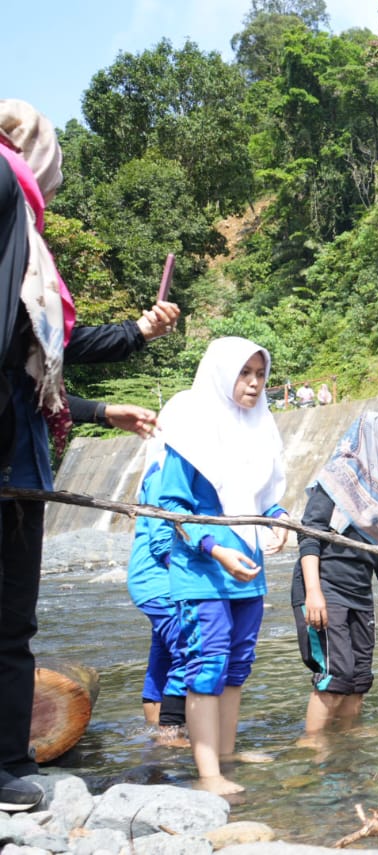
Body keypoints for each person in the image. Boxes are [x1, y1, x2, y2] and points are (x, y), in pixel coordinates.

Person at [1, 99, 171, 812]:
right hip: (9, 463)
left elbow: (33, 357)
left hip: (16, 446)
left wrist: (131, 341)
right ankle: (6, 770)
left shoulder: (23, 228)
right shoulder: (11, 197)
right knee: (11, 624)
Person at [155, 336, 290, 795]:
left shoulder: (260, 428)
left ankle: (227, 756)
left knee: (237, 664)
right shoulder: (189, 432)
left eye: (260, 375)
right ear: (220, 373)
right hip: (202, 573)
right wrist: (214, 547)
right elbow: (172, 509)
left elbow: (263, 498)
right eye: (244, 373)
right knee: (206, 664)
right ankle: (208, 773)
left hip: (248, 569)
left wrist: (280, 517)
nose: (253, 384)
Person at [293, 412, 378, 734]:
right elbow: (310, 534)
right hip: (325, 587)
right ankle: (313, 750)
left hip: (359, 595)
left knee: (359, 681)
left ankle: (347, 748)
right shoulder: (338, 478)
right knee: (336, 677)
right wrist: (313, 593)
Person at [128, 441, 185, 736]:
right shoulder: (166, 471)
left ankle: (153, 733)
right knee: (190, 650)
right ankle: (170, 733)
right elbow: (162, 539)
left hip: (150, 580)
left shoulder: (159, 467)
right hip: (161, 581)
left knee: (163, 655)